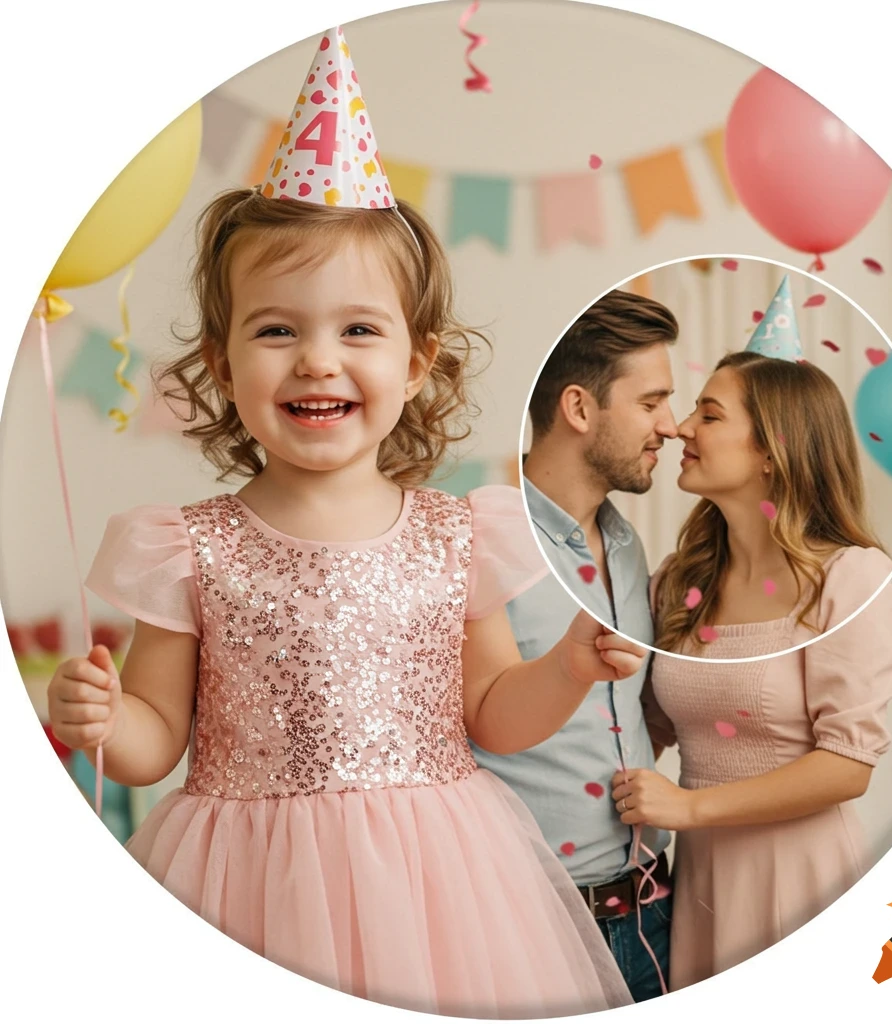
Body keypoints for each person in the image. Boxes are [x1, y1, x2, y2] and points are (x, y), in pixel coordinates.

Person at [45, 28, 643, 1020]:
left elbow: (493, 712)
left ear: (414, 364)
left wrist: (569, 666)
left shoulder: (461, 533)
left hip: (440, 880)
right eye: (276, 328)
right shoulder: (188, 544)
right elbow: (158, 737)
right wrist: (110, 721)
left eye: (358, 329)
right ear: (225, 362)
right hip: (245, 880)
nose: (317, 360)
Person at [611, 292, 892, 990]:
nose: (681, 427)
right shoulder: (676, 583)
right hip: (701, 887)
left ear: (772, 451)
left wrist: (689, 808)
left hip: (800, 882)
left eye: (709, 414)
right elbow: (641, 729)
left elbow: (847, 765)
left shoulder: (848, 576)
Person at [472, 288, 680, 1001]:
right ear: (580, 409)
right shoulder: (476, 536)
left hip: (654, 911)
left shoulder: (627, 544)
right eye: (652, 403)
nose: (671, 426)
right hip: (531, 928)